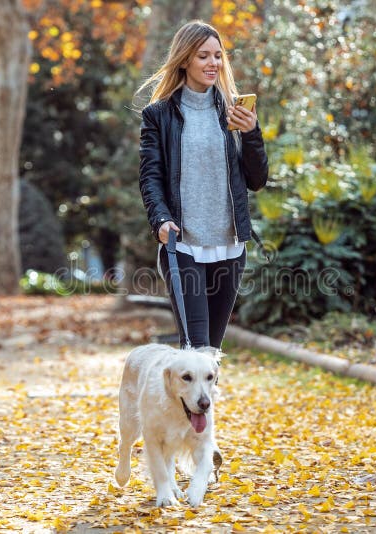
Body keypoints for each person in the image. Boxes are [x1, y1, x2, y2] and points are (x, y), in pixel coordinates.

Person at [136, 20, 269, 350]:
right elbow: (150, 175)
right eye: (203, 56)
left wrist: (251, 134)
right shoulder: (159, 115)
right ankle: (183, 403)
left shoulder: (234, 111)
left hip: (229, 245)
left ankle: (204, 405)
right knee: (195, 347)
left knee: (211, 351)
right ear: (184, 60)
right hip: (183, 245)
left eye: (218, 56)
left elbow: (257, 180)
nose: (213, 63)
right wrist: (160, 220)